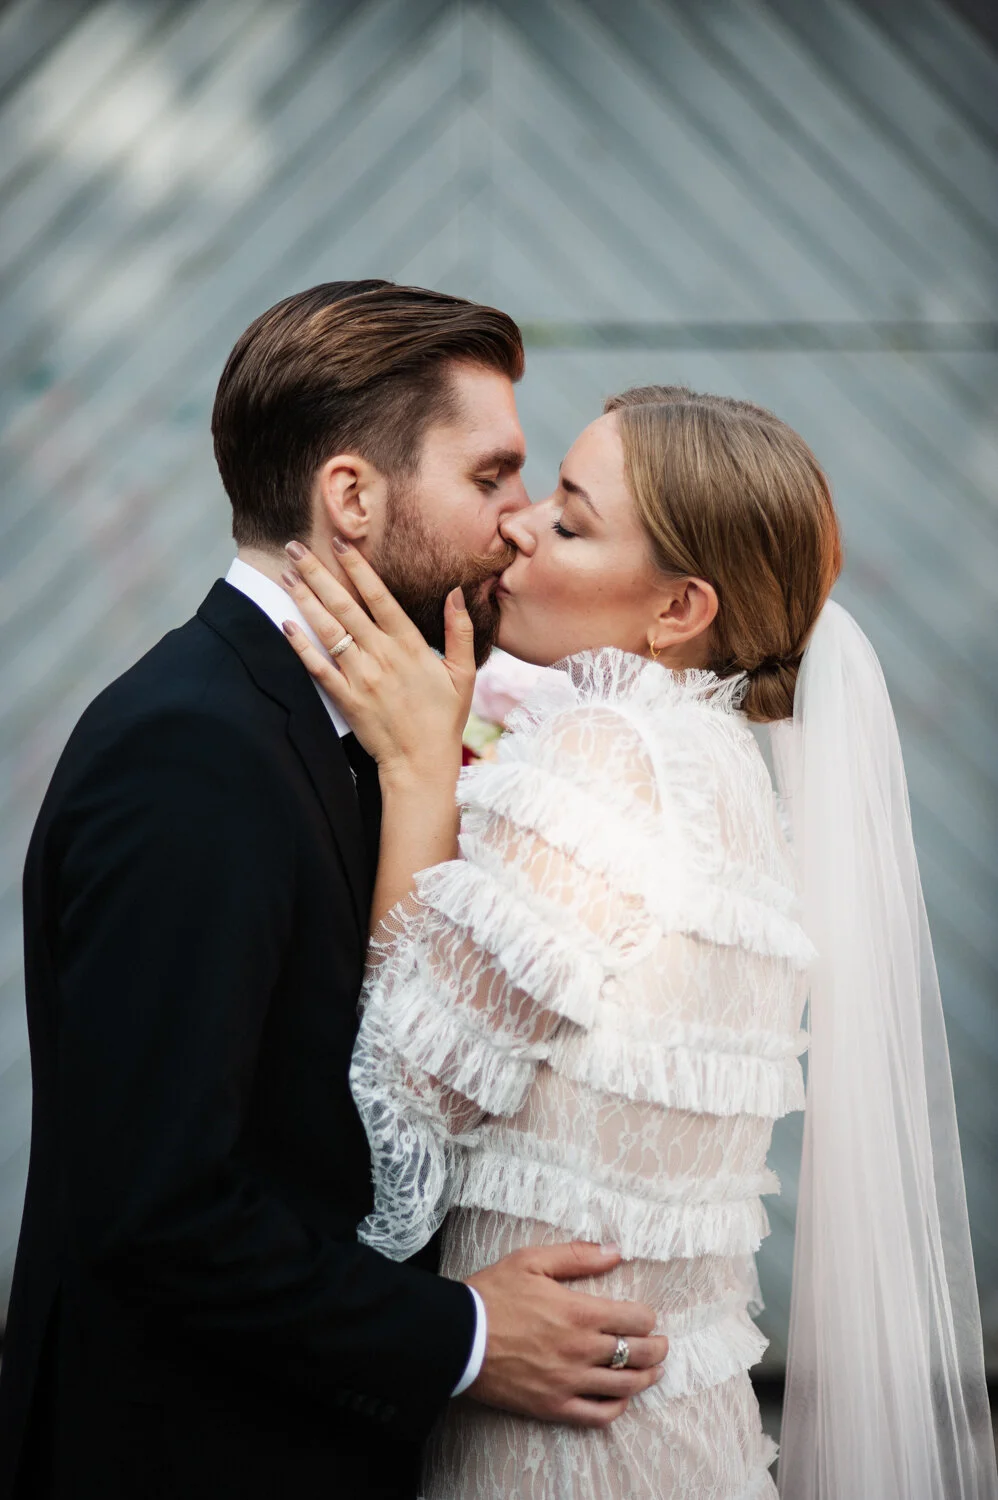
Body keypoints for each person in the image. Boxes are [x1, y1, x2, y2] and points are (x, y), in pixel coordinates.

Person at [0, 283, 667, 1500]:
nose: (518, 525)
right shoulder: (193, 753)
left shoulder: (349, 726)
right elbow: (157, 1208)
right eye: (490, 478)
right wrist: (464, 1338)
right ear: (352, 497)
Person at [281, 385, 998, 1499]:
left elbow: (396, 1102)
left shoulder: (607, 760)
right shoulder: (723, 772)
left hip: (560, 1443)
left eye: (567, 521)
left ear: (675, 612)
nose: (518, 524)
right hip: (677, 1428)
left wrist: (418, 770)